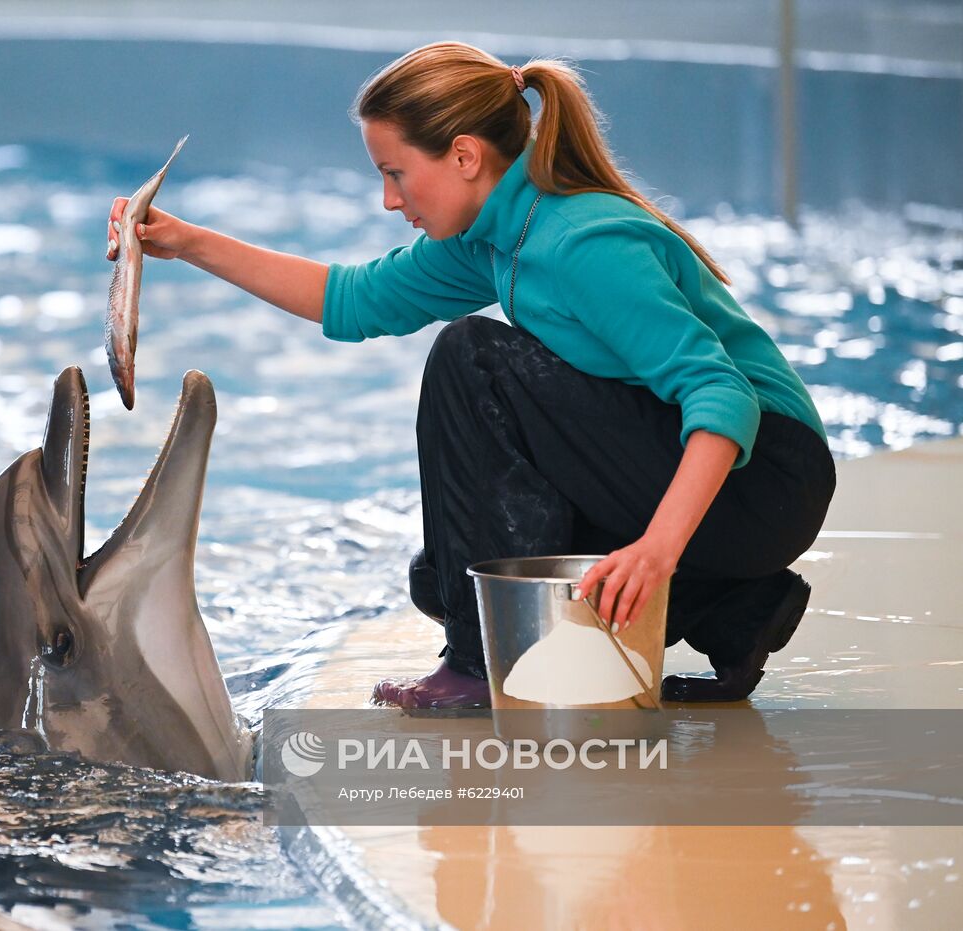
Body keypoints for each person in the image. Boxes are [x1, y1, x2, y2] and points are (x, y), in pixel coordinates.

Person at [105, 42, 836, 708]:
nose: (391, 200)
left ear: (462, 156)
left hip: (764, 474)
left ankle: (475, 667)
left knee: (472, 357)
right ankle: (741, 607)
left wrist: (656, 551)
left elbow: (722, 394)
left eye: (395, 174)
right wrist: (185, 241)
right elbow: (350, 300)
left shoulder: (583, 241)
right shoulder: (493, 238)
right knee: (454, 576)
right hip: (707, 487)